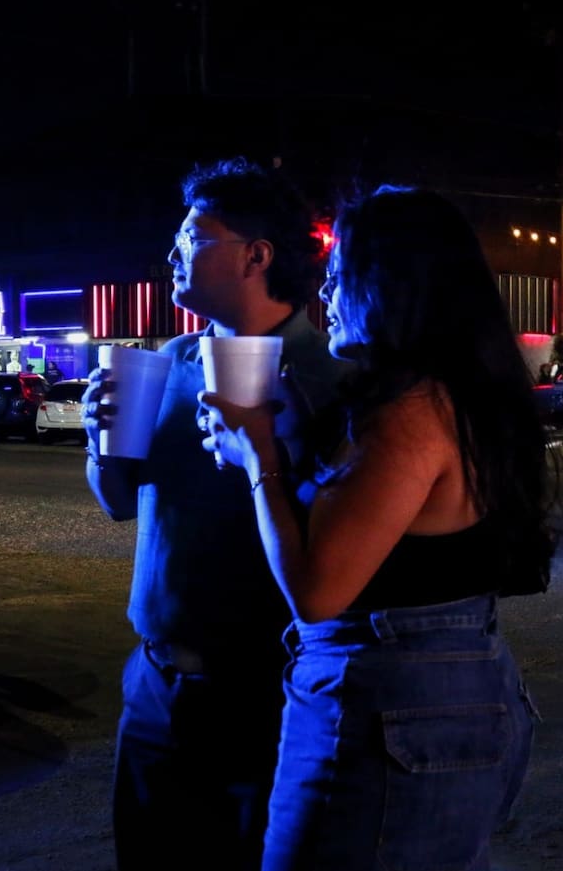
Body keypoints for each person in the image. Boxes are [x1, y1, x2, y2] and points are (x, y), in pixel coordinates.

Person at [197, 184, 563, 870]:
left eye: (341, 275)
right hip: (437, 688)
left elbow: (317, 592)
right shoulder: (444, 394)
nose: (325, 293)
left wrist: (259, 458)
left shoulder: (411, 412)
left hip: (398, 695)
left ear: (390, 284)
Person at [80, 156, 345, 871]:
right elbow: (117, 503)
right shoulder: (169, 361)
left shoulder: (329, 379)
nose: (172, 253)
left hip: (270, 690)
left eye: (193, 237)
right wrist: (100, 439)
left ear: (257, 255)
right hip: (156, 682)